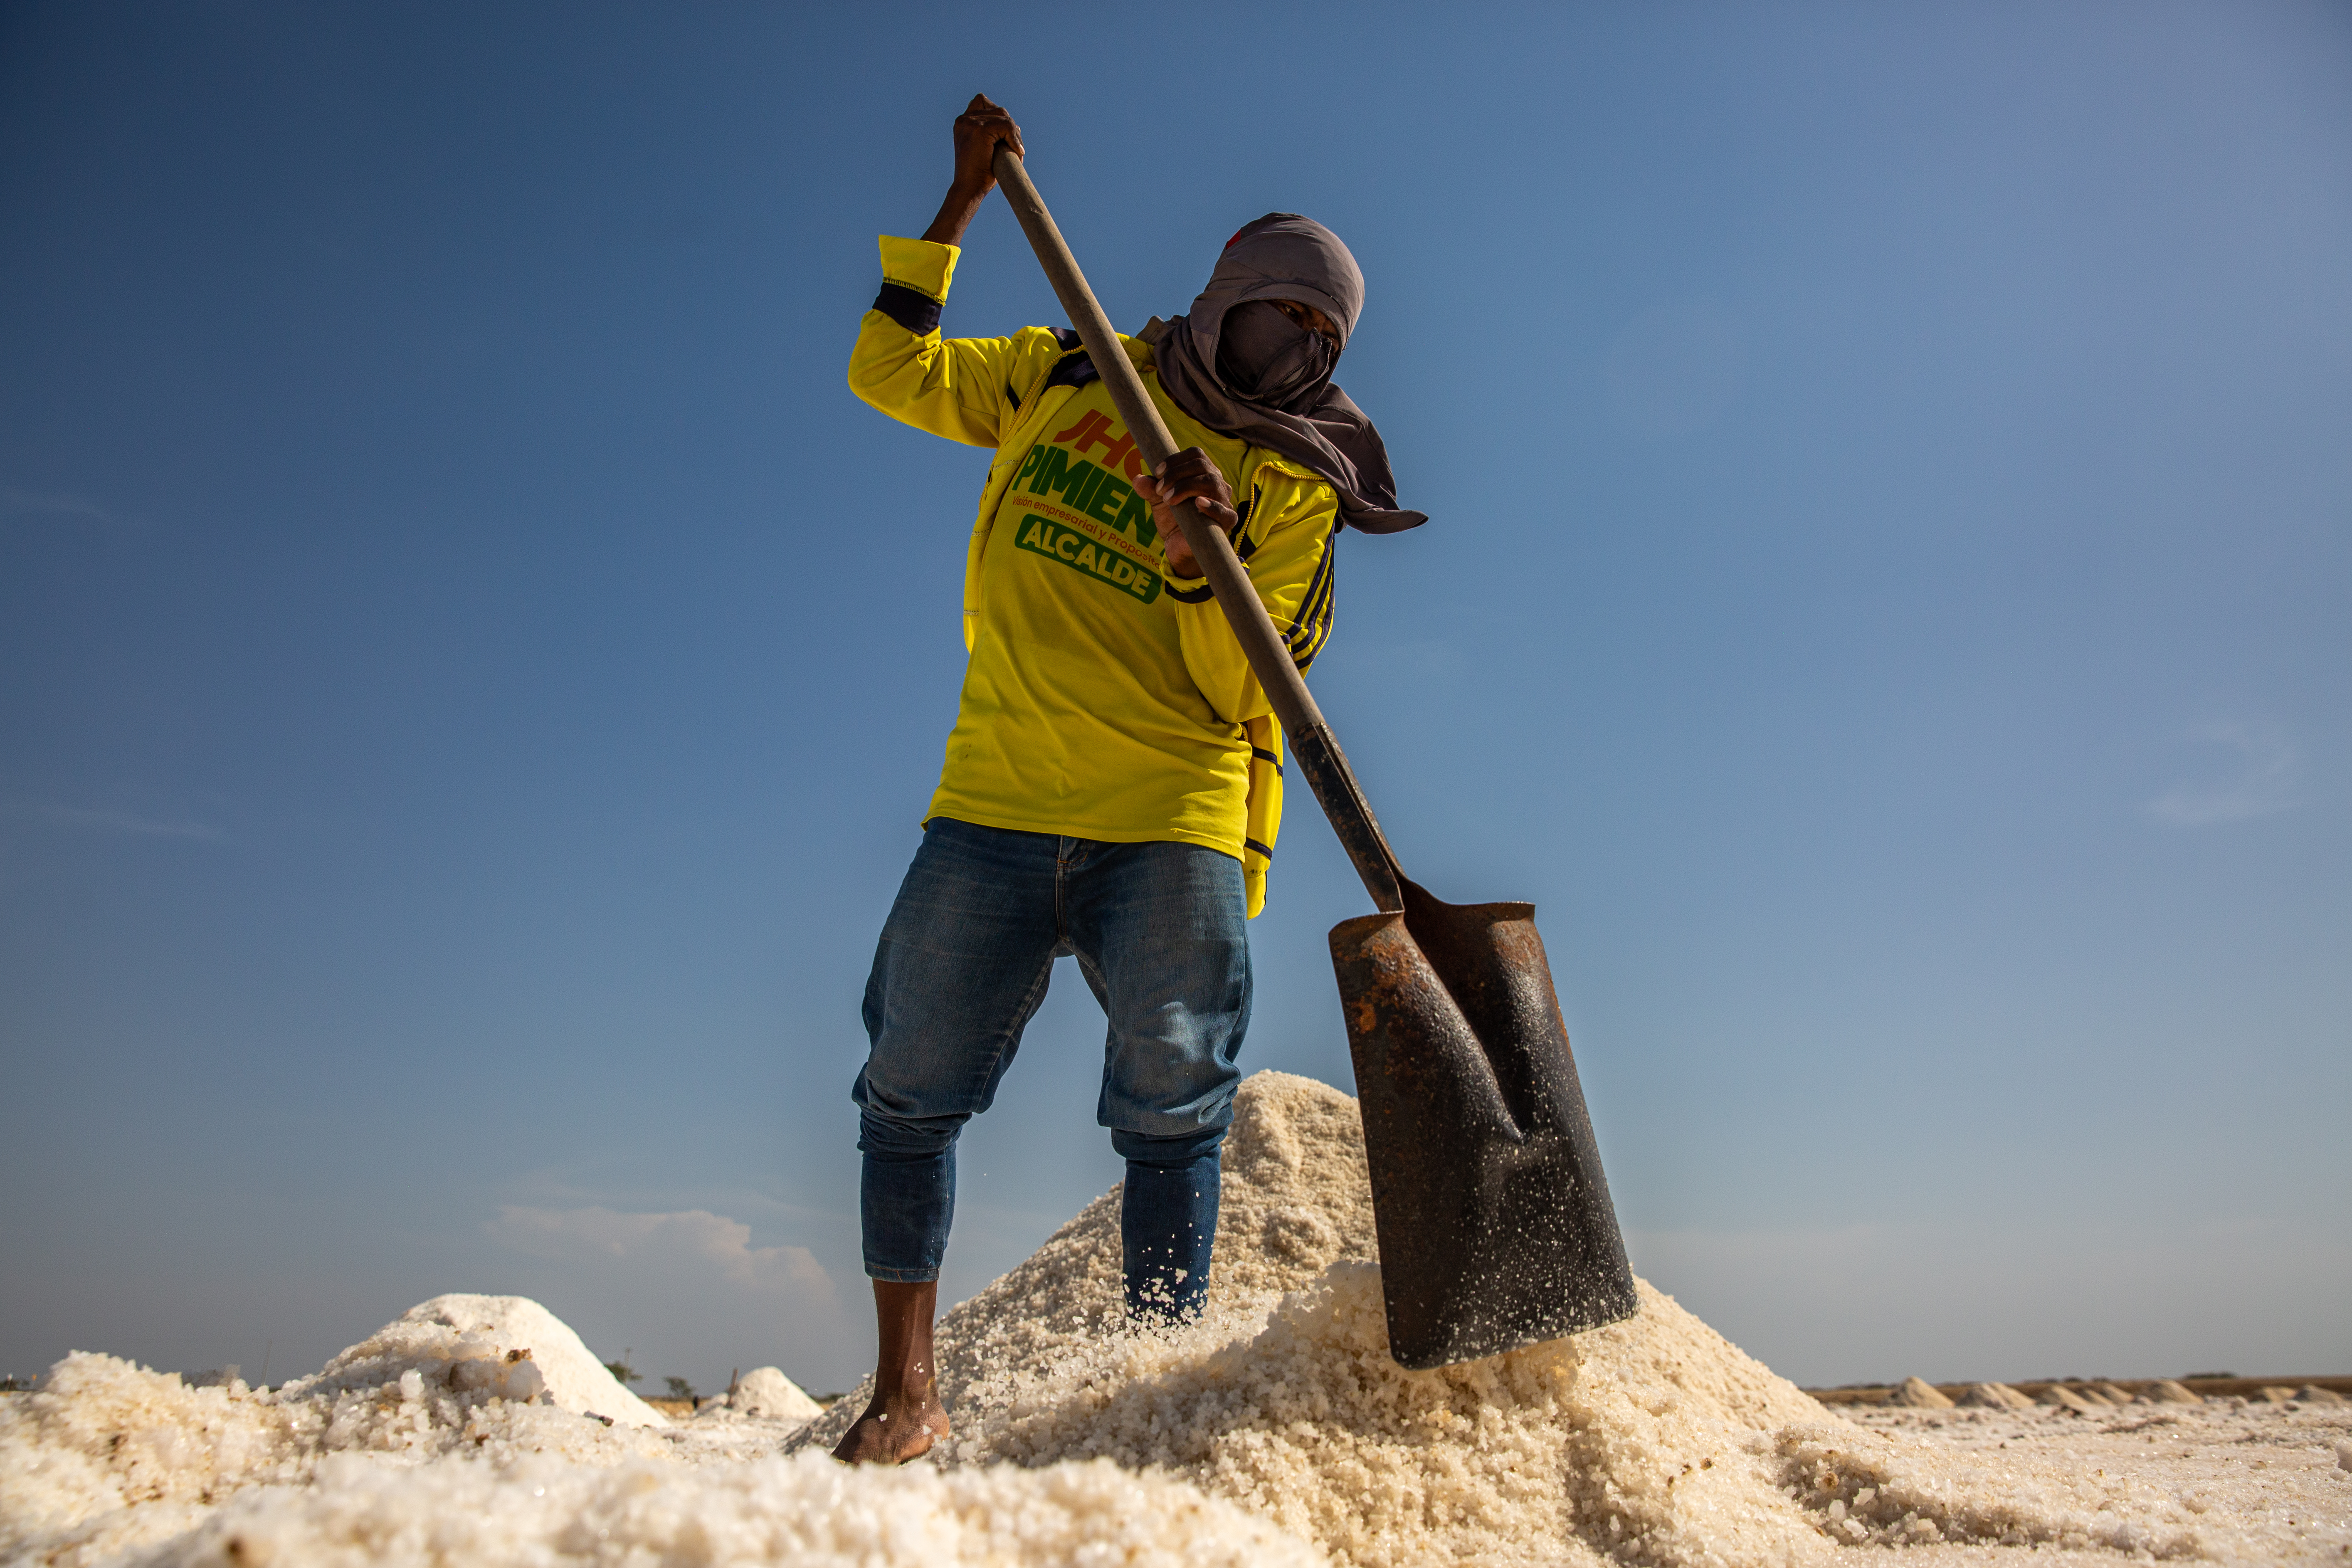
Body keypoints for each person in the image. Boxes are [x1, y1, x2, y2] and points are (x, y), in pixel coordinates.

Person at [832, 94, 1423, 1465]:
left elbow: (1241, 691)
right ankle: (905, 1396)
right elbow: (888, 373)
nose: (1296, 348)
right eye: (1280, 311)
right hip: (989, 802)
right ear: (1223, 296)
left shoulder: (1293, 485)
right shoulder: (1063, 371)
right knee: (907, 1094)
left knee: (1170, 1113)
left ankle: (1149, 1401)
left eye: (1323, 339)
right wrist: (962, 207)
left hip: (1171, 825)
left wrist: (1188, 548)